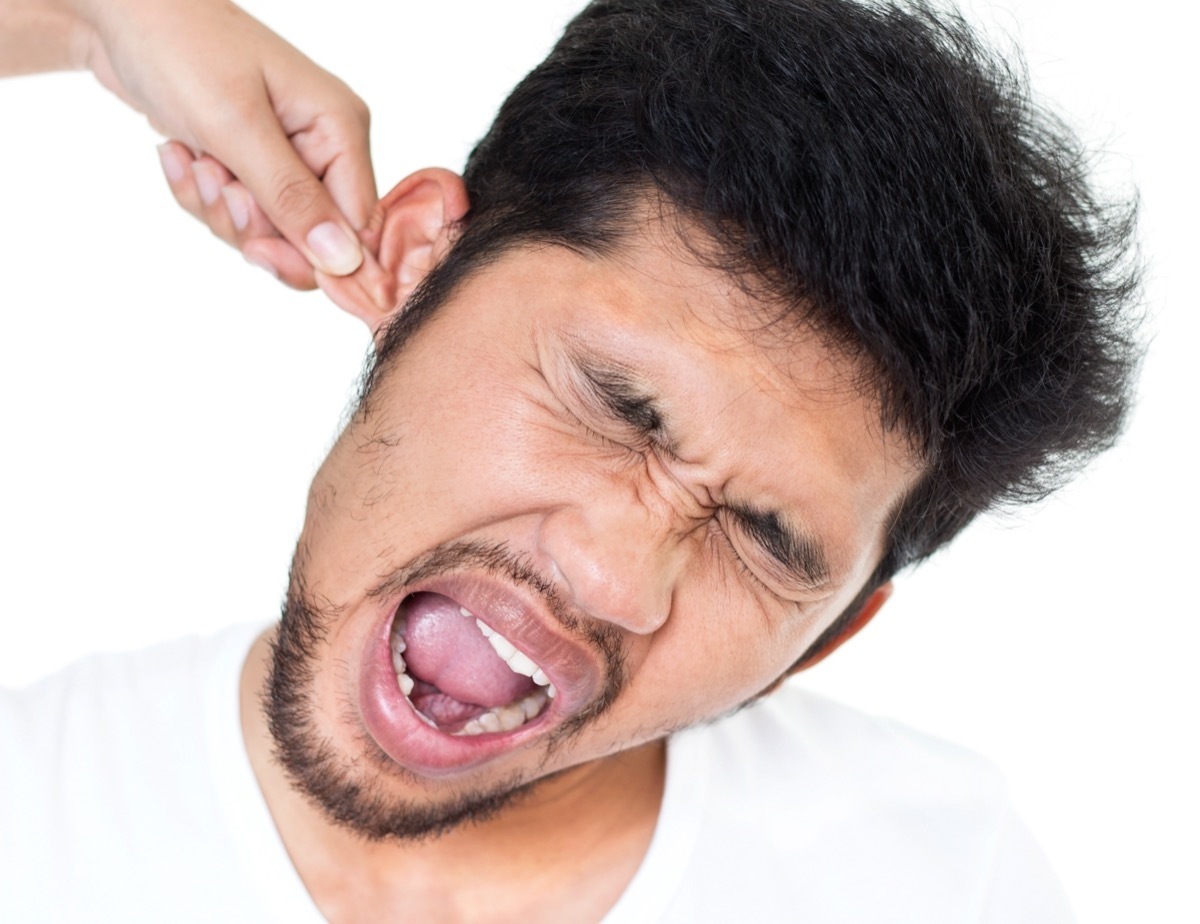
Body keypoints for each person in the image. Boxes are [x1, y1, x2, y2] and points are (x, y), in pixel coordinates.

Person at [0, 0, 1141, 921]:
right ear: (411, 265)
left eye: (764, 540)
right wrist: (98, 17)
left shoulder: (944, 882)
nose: (613, 580)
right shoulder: (29, 809)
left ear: (829, 635)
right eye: (617, 405)